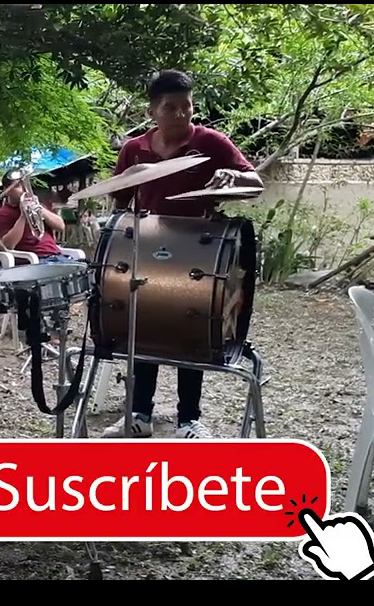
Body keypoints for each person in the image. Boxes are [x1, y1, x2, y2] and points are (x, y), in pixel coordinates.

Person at [102, 69, 263, 440]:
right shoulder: (134, 149)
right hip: (146, 246)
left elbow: (253, 181)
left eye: (186, 106)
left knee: (192, 324)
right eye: (171, 107)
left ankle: (189, 419)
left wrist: (233, 181)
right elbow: (120, 200)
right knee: (143, 326)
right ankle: (140, 413)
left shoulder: (212, 142)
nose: (181, 114)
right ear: (153, 110)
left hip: (199, 250)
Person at [0, 168, 75, 263]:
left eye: (24, 185)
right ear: (6, 190)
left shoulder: (38, 206)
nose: (23, 190)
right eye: (18, 186)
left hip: (55, 256)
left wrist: (41, 209)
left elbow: (61, 227)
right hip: (34, 260)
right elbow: (8, 245)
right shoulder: (3, 214)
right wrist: (23, 216)